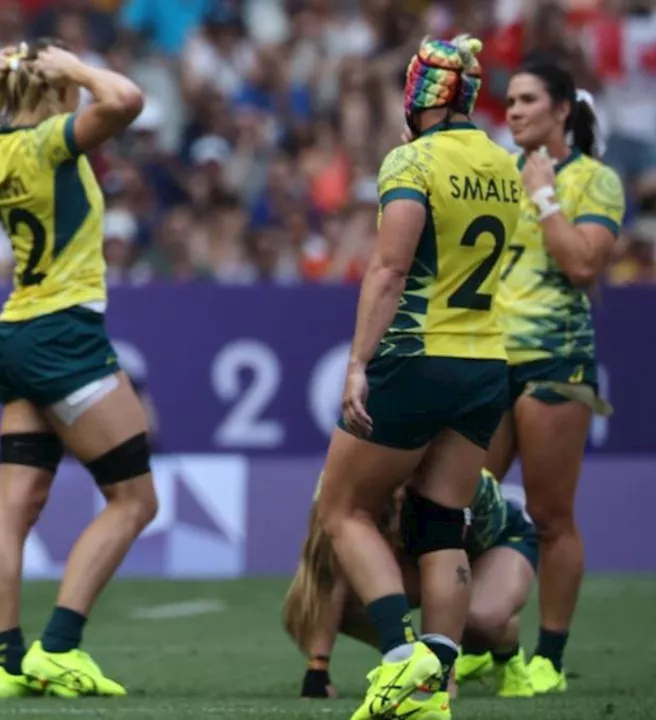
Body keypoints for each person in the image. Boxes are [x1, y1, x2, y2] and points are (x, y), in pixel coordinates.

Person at [0, 40, 156, 699]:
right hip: (64, 334)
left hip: (14, 334)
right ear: (57, 93)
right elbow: (128, 98)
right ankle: (58, 646)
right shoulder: (52, 143)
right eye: (70, 87)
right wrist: (79, 67)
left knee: (14, 504)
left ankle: (5, 662)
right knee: (135, 499)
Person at [312, 35, 522, 720]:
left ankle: (403, 664)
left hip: (416, 354)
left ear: (419, 96)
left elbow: (390, 268)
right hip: (486, 361)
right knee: (441, 523)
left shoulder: (412, 160)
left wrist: (356, 363)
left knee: (341, 510)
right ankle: (434, 688)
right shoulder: (503, 163)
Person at [476, 60, 625, 694]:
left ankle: (549, 659)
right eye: (509, 101)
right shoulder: (495, 175)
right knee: (467, 502)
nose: (512, 111)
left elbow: (583, 265)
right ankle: (482, 638)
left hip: (556, 363)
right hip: (486, 358)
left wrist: (544, 196)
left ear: (562, 109)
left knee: (549, 514)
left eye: (528, 100)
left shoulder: (597, 181)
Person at [284, 470, 539, 701]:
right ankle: (413, 657)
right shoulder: (340, 484)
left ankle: (506, 654)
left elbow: (447, 566)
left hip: (495, 541)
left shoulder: (444, 483)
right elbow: (324, 573)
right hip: (413, 551)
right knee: (339, 598)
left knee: (478, 620)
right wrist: (317, 673)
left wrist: (442, 679)